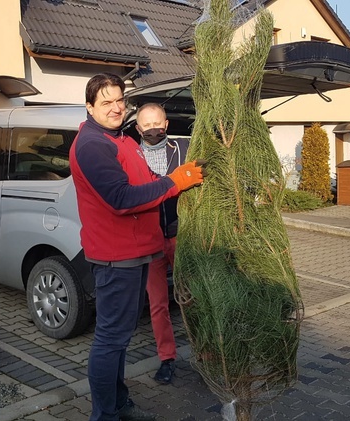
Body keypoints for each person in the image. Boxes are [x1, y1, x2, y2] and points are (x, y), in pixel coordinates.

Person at [69, 73, 206, 421]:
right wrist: (175, 183)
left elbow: (145, 183)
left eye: (119, 100)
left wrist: (178, 179)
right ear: (89, 107)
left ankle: (118, 403)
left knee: (119, 338)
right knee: (110, 339)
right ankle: (105, 414)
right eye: (106, 102)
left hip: (138, 251)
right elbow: (121, 198)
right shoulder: (93, 146)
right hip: (118, 257)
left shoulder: (120, 140)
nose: (116, 108)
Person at [135, 103, 187, 385]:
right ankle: (167, 358)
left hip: (181, 235)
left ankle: (206, 353)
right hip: (151, 240)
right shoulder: (132, 155)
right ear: (138, 129)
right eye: (147, 125)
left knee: (192, 295)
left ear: (165, 125)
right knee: (158, 303)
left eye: (157, 124)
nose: (152, 129)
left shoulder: (183, 149)